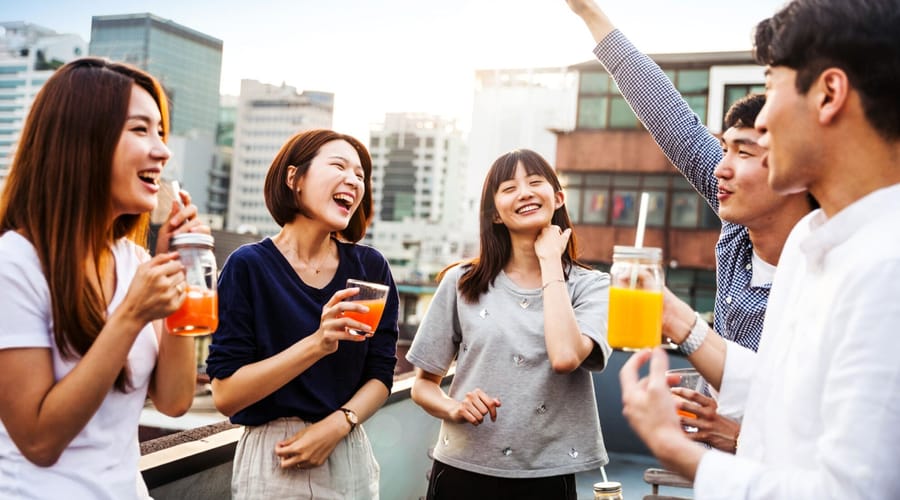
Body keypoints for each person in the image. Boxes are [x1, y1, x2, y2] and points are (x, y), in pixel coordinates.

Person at [617, 0, 900, 497]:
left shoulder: (886, 268)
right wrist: (679, 320)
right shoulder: (810, 245)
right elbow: (777, 387)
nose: (762, 121)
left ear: (829, 93)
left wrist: (675, 448)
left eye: (770, 89)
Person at [565, 0, 816, 453]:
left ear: (793, 168)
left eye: (743, 152)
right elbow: (668, 116)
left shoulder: (827, 266)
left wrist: (743, 439)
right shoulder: (738, 229)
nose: (720, 168)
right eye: (723, 149)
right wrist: (589, 13)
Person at [0, 57, 207, 499]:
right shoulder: (13, 264)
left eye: (161, 132)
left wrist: (178, 269)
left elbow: (174, 402)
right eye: (139, 129)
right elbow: (38, 441)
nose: (163, 150)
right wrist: (131, 315)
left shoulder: (134, 260)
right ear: (83, 141)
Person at [205, 128, 399, 499]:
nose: (353, 181)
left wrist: (338, 424)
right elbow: (226, 395)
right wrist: (318, 343)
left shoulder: (370, 268)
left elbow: (380, 375)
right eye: (339, 166)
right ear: (294, 178)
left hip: (347, 447)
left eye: (360, 175)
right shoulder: (248, 266)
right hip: (274, 457)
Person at [407, 149, 612, 499]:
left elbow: (565, 357)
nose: (525, 193)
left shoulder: (592, 286)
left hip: (548, 475)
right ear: (496, 215)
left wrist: (550, 261)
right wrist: (454, 407)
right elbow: (422, 385)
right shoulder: (461, 282)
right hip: (461, 471)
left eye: (535, 182)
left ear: (558, 198)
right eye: (509, 188)